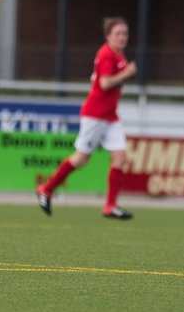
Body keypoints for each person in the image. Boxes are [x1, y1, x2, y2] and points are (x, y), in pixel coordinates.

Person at [36, 17, 139, 219]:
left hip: (110, 116)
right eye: (117, 33)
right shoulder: (107, 54)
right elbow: (105, 84)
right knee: (81, 158)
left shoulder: (119, 55)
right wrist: (127, 74)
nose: (122, 37)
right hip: (96, 114)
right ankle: (46, 189)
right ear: (108, 36)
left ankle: (110, 205)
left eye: (125, 33)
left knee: (120, 156)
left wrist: (123, 77)